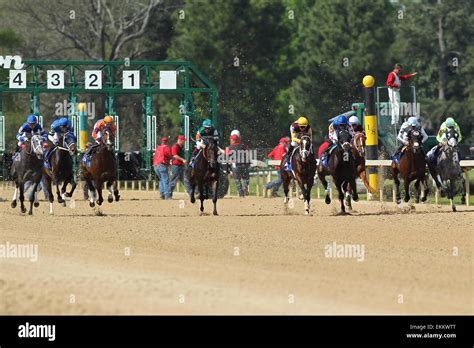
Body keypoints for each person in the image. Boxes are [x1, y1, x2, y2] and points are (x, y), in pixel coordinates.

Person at [225, 133, 250, 197]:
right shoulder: (243, 146)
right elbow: (247, 153)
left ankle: (241, 194)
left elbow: (227, 158)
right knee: (245, 178)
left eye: (231, 139)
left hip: (235, 166)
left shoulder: (229, 148)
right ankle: (245, 188)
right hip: (244, 164)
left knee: (237, 180)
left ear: (233, 140)